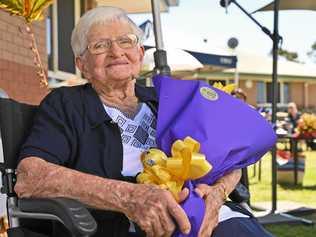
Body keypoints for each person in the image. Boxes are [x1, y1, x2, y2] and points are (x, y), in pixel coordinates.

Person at [14, 6, 273, 237]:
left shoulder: (168, 100)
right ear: (82, 63)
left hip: (212, 219)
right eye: (100, 46)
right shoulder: (66, 104)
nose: (116, 52)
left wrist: (217, 195)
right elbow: (30, 177)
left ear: (139, 53)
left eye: (125, 41)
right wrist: (131, 197)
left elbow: (230, 159)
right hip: (132, 226)